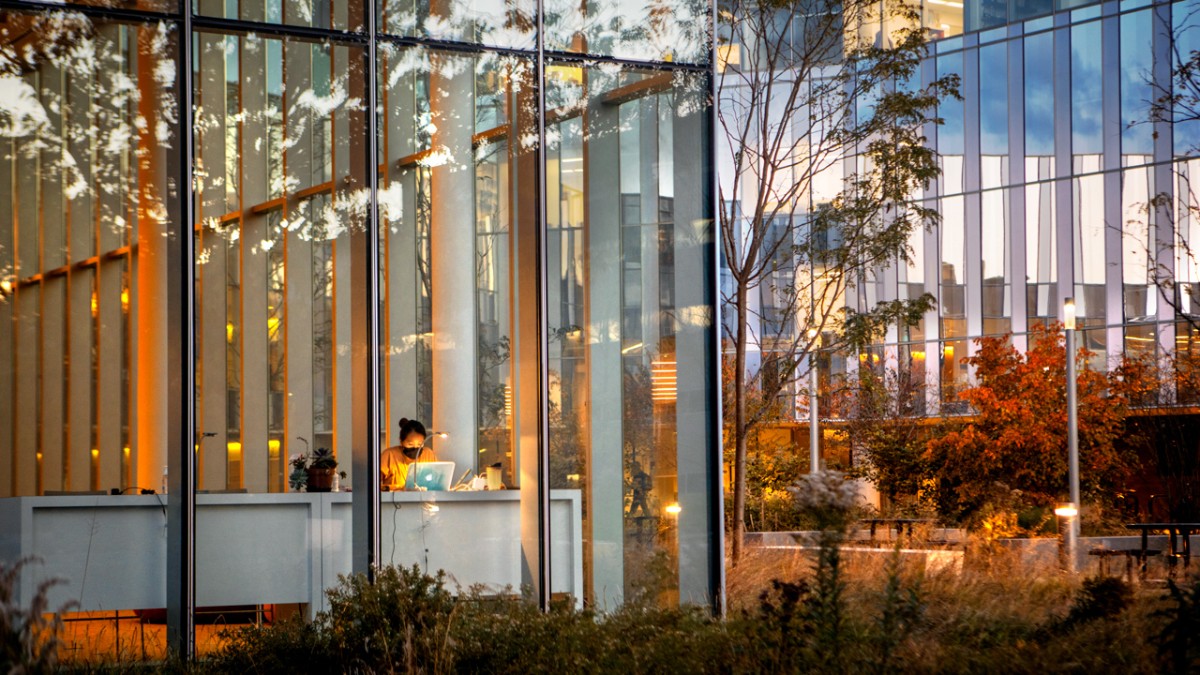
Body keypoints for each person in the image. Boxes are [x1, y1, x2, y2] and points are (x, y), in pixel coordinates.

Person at [380, 418, 435, 490]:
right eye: (410, 444)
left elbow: (435, 478)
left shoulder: (428, 454)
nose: (415, 448)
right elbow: (373, 483)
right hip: (395, 499)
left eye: (419, 444)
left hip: (424, 498)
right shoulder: (389, 455)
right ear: (401, 441)